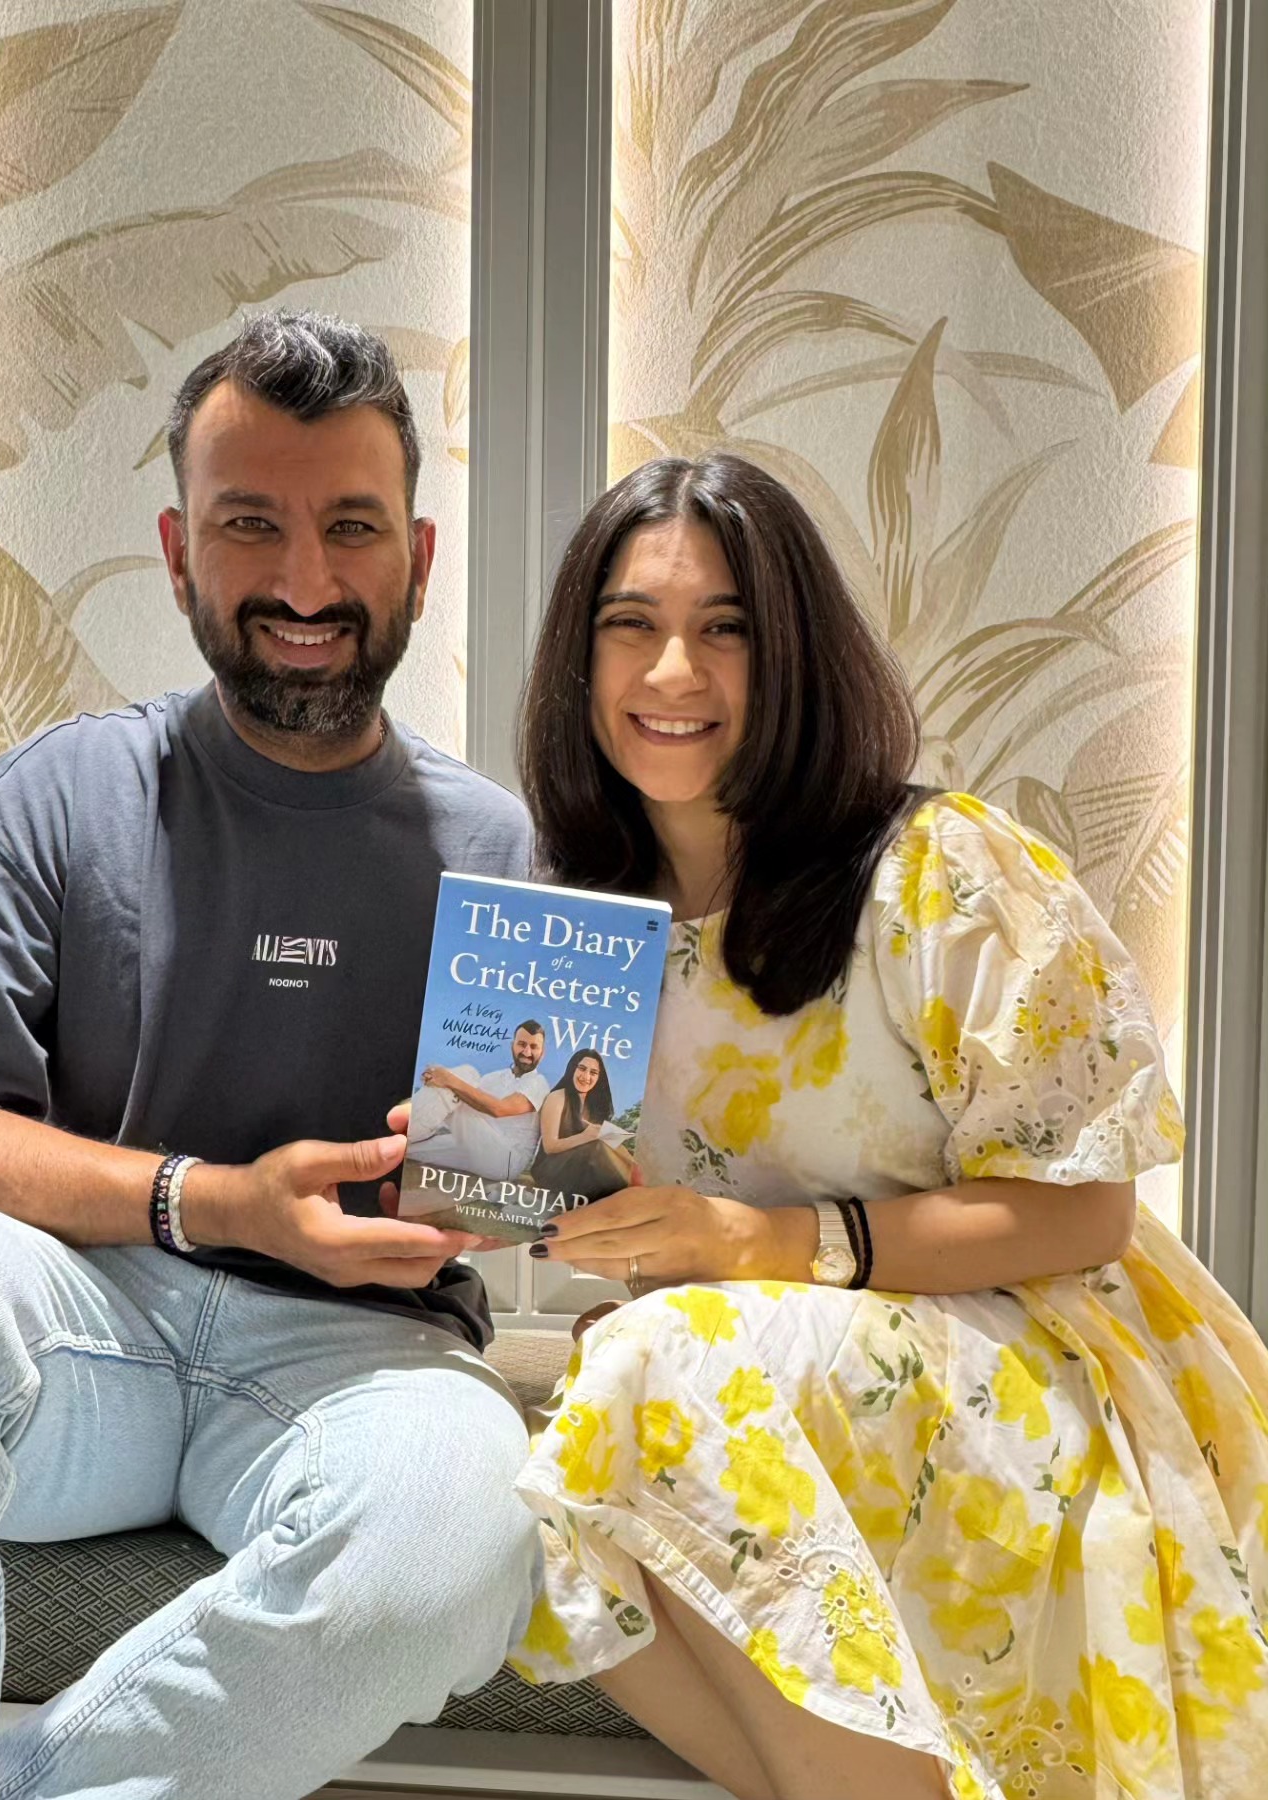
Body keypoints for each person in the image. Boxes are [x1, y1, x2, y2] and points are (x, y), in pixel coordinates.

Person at [0, 311, 540, 1800]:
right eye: (248, 526)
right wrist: (206, 1200)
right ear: (176, 550)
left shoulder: (508, 857)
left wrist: (511, 1193)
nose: (302, 581)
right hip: (81, 1318)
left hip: (364, 1360)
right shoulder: (51, 799)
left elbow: (547, 1175)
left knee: (467, 1531)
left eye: (350, 527)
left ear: (418, 557)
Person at [503, 452, 1268, 1800]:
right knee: (528, 1483)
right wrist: (486, 1163)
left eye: (725, 629)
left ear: (792, 655)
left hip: (1028, 1360)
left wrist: (760, 1249)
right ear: (581, 660)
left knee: (659, 1367)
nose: (672, 671)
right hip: (796, 1374)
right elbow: (640, 1216)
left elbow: (1084, 1210)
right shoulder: (585, 928)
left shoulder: (941, 872)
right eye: (631, 625)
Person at [408, 1019, 550, 1180]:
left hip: (507, 1160)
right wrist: (436, 1081)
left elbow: (500, 1109)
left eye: (533, 1047)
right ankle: (407, 1131)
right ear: (512, 1045)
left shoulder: (539, 1083)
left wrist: (447, 1079)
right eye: (522, 1044)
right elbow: (459, 1100)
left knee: (467, 1074)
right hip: (475, 1146)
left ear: (542, 1053)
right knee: (409, 1148)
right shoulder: (493, 1077)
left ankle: (408, 1126)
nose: (526, 1051)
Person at [527, 1048, 630, 1200]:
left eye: (593, 1073)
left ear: (599, 1078)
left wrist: (616, 1138)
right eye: (582, 1068)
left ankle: (631, 1185)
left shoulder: (593, 1105)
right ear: (572, 1069)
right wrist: (586, 1136)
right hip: (550, 1169)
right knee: (597, 1146)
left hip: (580, 1168)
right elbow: (549, 1146)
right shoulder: (558, 1097)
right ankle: (624, 1195)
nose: (586, 1076)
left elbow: (613, 1142)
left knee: (615, 1144)